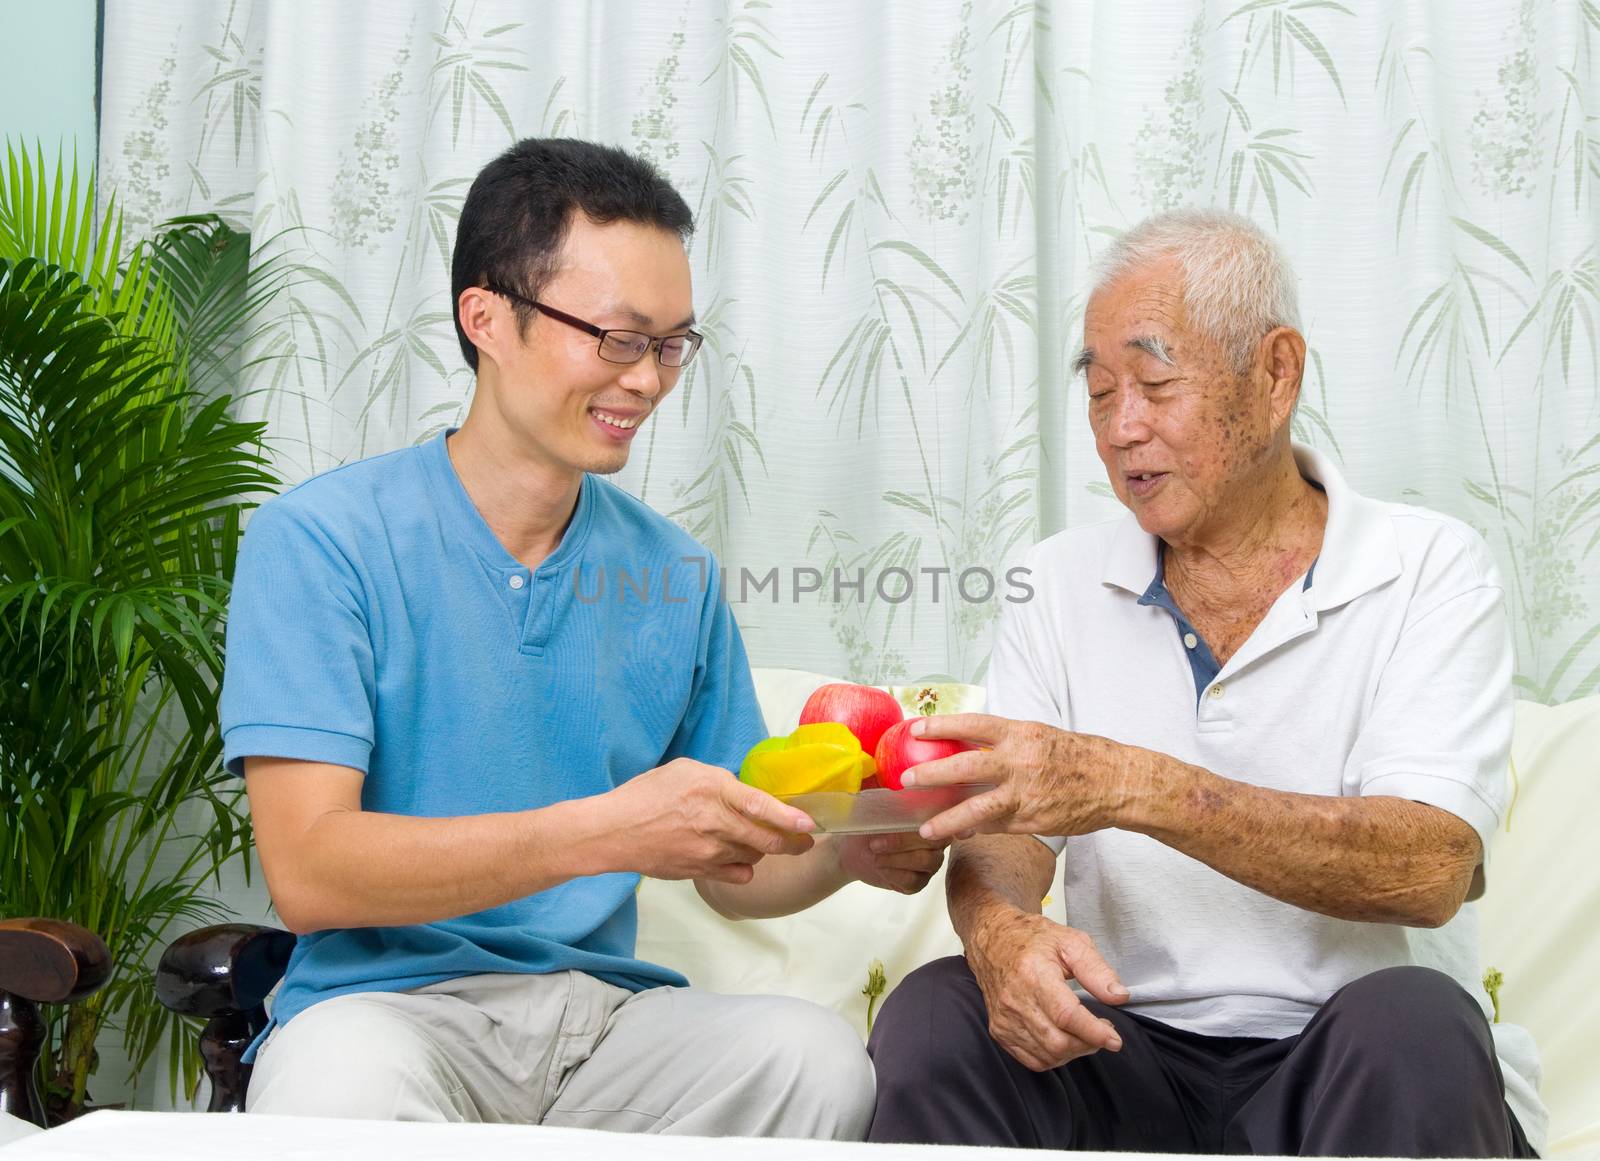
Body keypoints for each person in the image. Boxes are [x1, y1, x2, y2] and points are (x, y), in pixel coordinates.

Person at [219, 138, 943, 1135]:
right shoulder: (321, 542)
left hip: (607, 1022)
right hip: (385, 1015)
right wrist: (605, 830)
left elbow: (732, 868)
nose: (647, 380)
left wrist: (842, 858)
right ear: (488, 319)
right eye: (617, 337)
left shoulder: (673, 575)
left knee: (814, 1062)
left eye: (673, 344)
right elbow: (310, 872)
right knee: (336, 1087)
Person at [864, 208, 1544, 1157]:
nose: (1120, 428)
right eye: (1100, 393)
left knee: (1415, 1023)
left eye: (1153, 383)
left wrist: (1132, 784)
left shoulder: (1429, 565)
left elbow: (1430, 869)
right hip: (1126, 1047)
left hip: (1347, 1056)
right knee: (937, 1011)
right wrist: (1001, 935)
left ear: (1275, 374)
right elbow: (1005, 839)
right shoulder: (1056, 581)